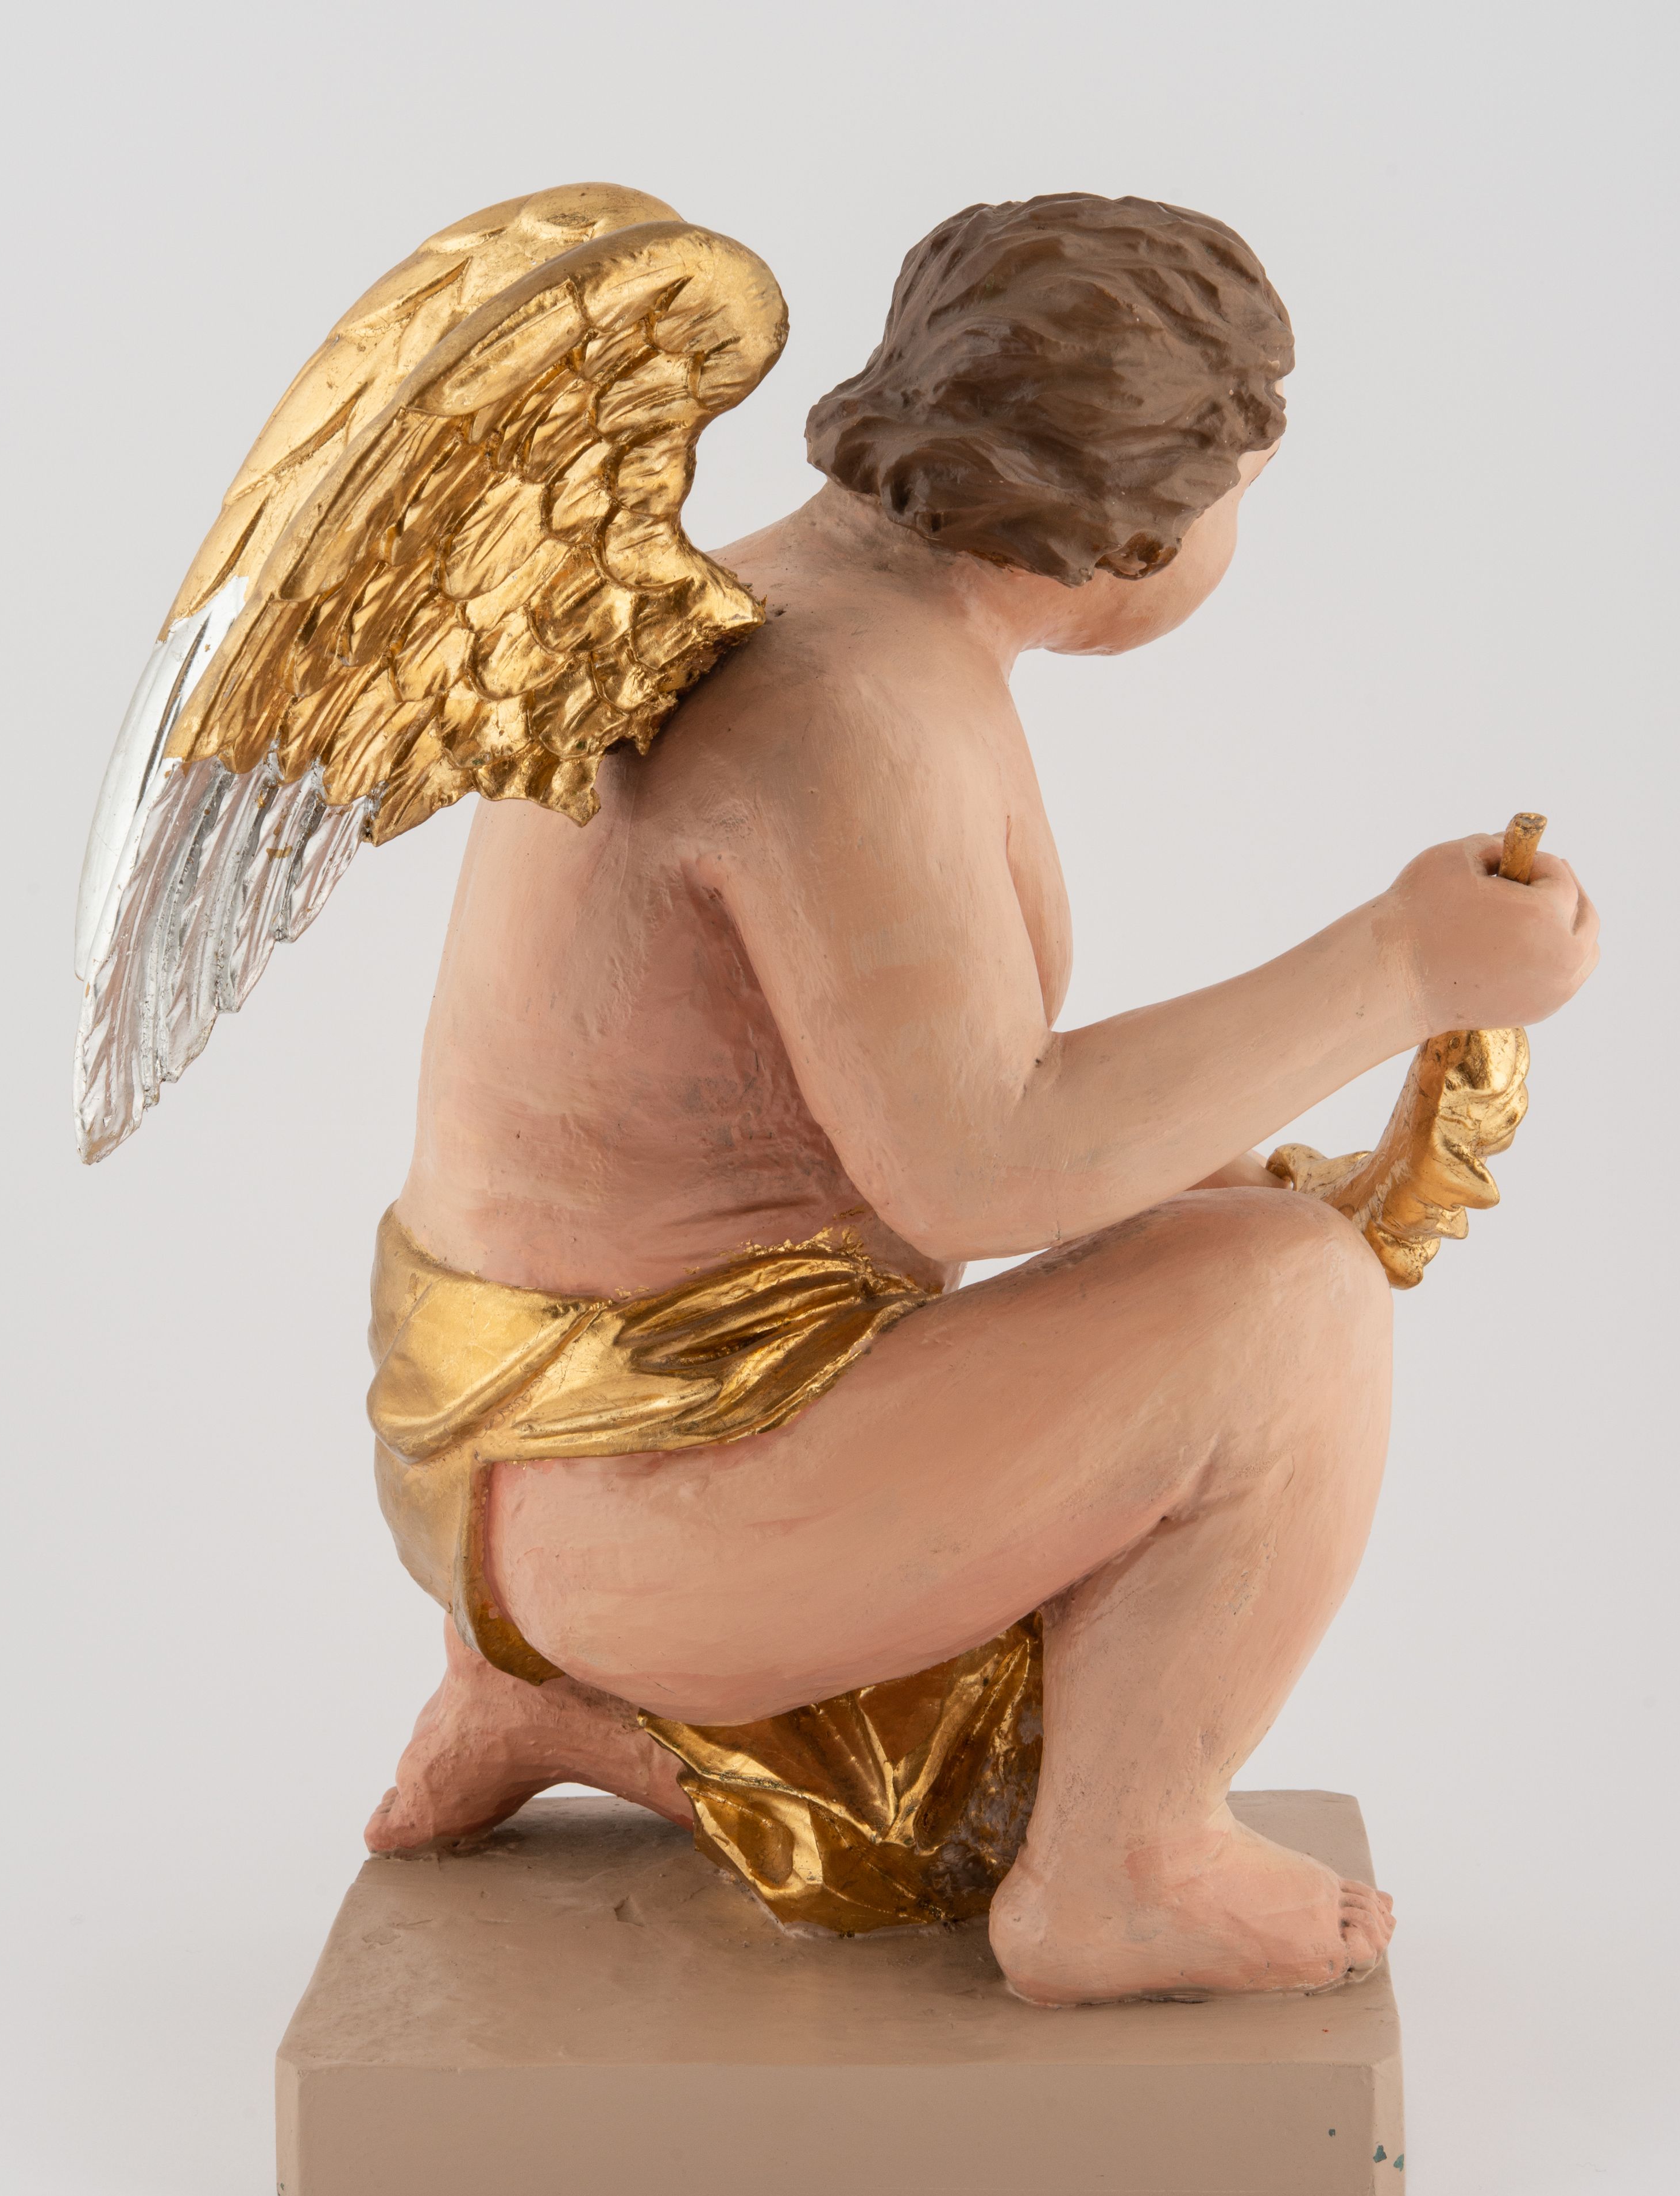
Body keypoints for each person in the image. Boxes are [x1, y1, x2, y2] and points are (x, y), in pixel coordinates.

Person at [366, 195, 1598, 2002]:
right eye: (1242, 493)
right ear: (1142, 515)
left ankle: (546, 1701)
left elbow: (901, 1104)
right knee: (1297, 1309)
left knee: (1235, 1236)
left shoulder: (795, 612)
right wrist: (1401, 970)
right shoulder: (846, 708)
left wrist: (1216, 1173)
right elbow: (981, 1163)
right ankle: (1123, 1870)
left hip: (534, 1464)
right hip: (638, 1506)